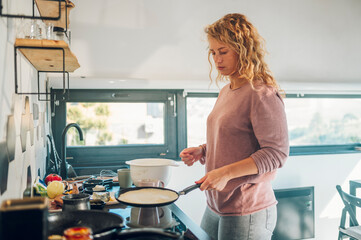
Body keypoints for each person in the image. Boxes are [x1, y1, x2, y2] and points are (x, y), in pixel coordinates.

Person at [180, 13, 289, 240]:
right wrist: (204, 150)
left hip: (248, 209)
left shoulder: (262, 93)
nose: (217, 59)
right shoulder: (226, 91)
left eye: (223, 52)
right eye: (213, 52)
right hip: (216, 204)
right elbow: (234, 139)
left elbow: (276, 153)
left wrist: (225, 173)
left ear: (243, 49)